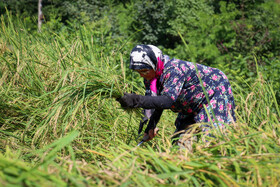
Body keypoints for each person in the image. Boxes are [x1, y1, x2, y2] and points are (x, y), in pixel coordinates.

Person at [117, 44, 236, 147]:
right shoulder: (151, 78)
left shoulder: (173, 70)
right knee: (180, 143)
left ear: (155, 63)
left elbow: (167, 100)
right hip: (189, 105)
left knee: (216, 141)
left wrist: (135, 100)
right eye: (139, 72)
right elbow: (157, 102)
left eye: (144, 71)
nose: (142, 75)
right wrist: (150, 127)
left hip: (213, 97)